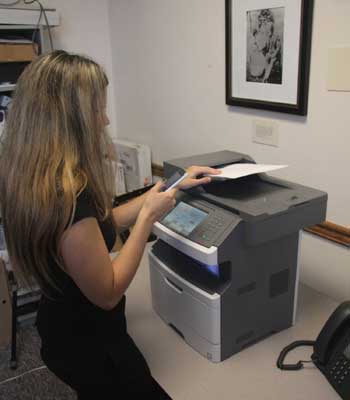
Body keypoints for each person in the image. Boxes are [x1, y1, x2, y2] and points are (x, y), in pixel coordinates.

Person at [0, 50, 220, 399]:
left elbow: (98, 226)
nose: (104, 120)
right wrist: (148, 217)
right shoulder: (69, 194)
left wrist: (174, 188)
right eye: (97, 109)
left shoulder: (36, 177)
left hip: (59, 325)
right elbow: (108, 292)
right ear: (68, 118)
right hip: (87, 343)